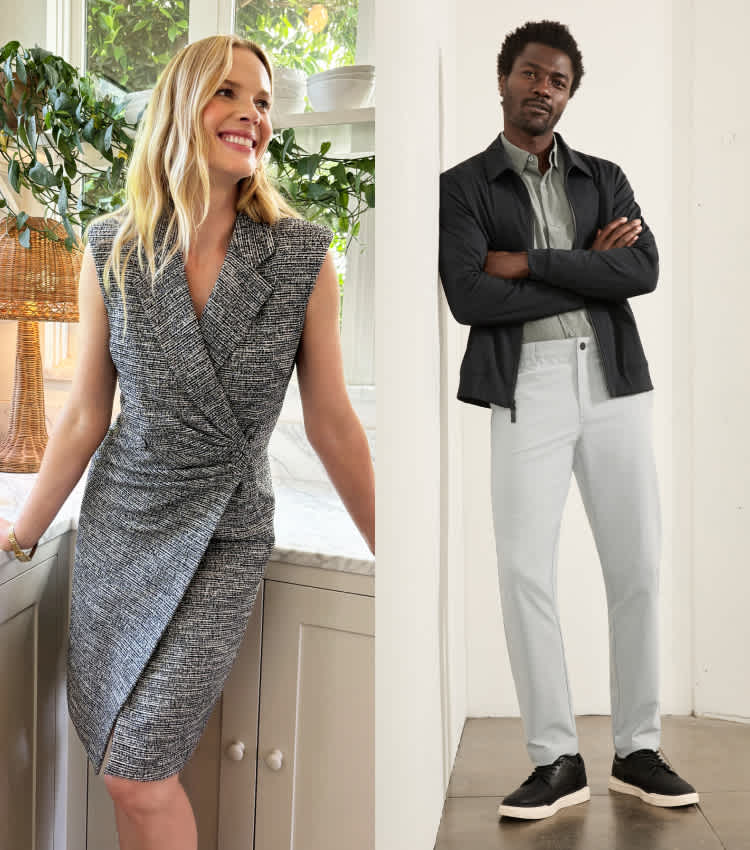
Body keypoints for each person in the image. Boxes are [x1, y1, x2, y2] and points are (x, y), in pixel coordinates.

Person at [0, 34, 374, 850]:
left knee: (136, 770)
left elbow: (333, 422)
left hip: (223, 534)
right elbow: (84, 416)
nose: (251, 114)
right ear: (181, 105)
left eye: (264, 102)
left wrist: (398, 547)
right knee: (116, 769)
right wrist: (23, 532)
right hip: (119, 531)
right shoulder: (111, 247)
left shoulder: (304, 256)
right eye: (229, 94)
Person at [439, 20, 696, 821]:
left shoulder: (604, 177)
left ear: (568, 92)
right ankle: (555, 759)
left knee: (639, 567)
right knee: (524, 572)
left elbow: (643, 269)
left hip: (613, 379)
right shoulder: (464, 185)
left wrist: (531, 263)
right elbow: (470, 296)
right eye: (529, 73)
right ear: (505, 80)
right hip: (527, 383)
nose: (541, 88)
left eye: (556, 79)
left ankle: (638, 748)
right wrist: (593, 272)